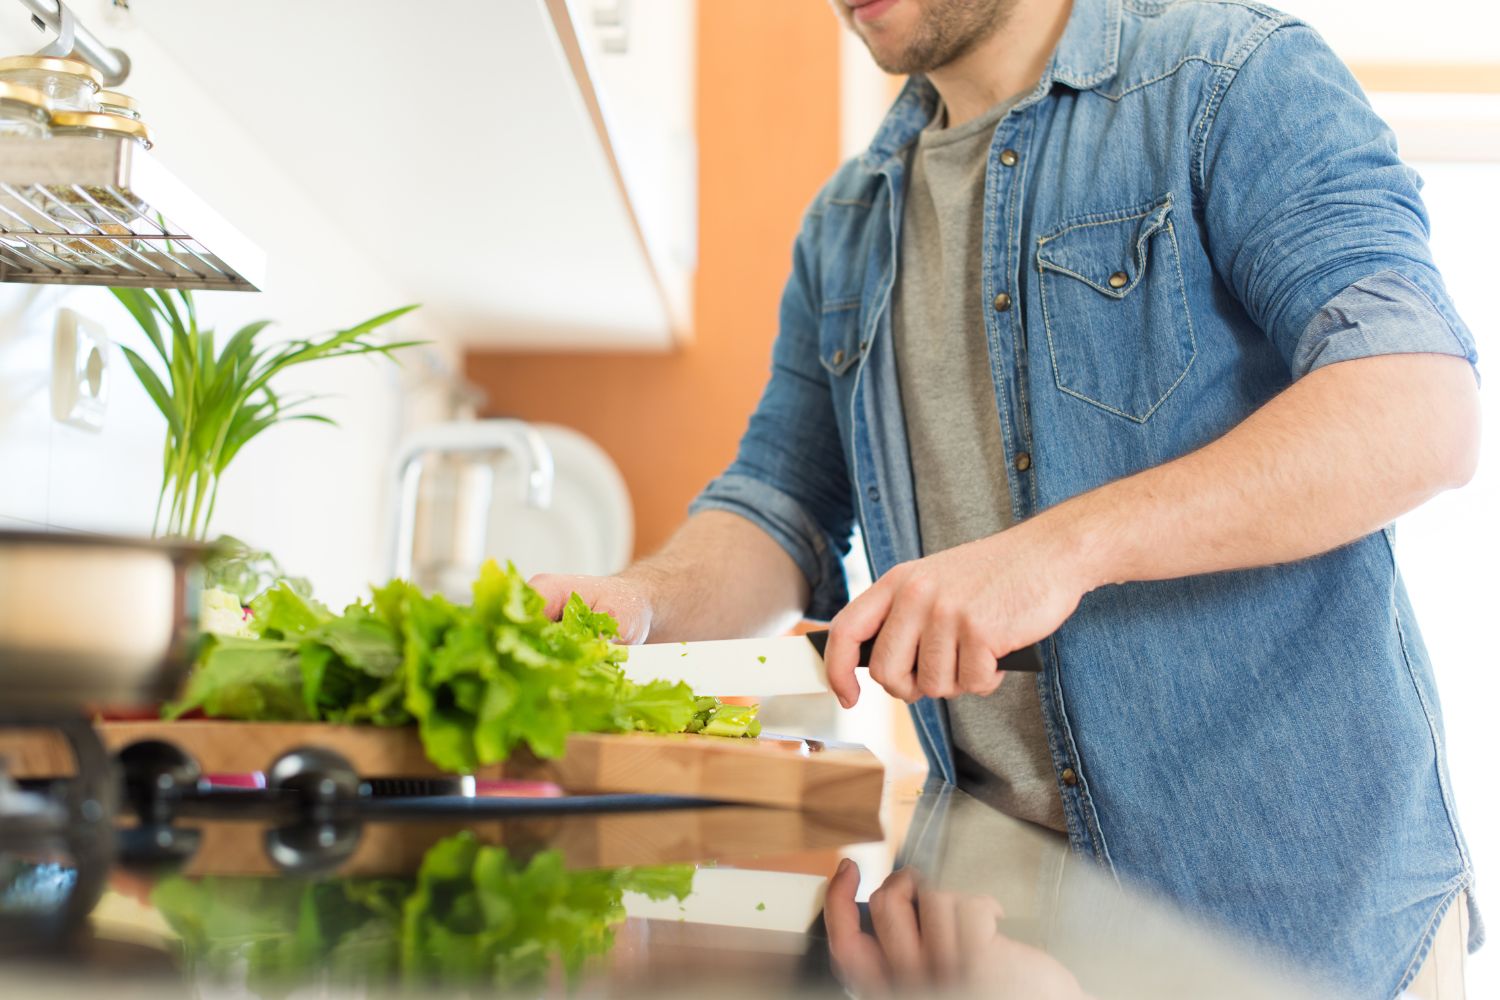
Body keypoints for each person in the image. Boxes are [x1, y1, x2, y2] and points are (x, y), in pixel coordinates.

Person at [532, 0, 1483, 995]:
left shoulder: (1230, 77)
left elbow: (1417, 404)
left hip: (1305, 926)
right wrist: (641, 603)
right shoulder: (846, 227)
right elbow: (779, 502)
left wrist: (1053, 552)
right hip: (1010, 927)